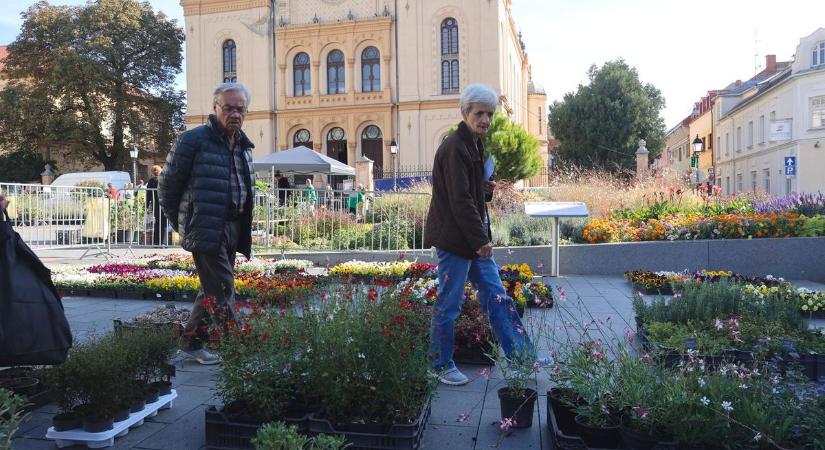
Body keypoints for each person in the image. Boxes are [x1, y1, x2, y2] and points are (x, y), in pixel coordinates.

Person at [424, 83, 542, 386]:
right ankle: (439, 365)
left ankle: (522, 357)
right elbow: (459, 201)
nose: (485, 120)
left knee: (497, 296)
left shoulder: (474, 145)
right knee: (449, 304)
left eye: (489, 114)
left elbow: (470, 194)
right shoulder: (454, 148)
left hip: (472, 239)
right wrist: (480, 240)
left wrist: (485, 190)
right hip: (455, 240)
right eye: (479, 113)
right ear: (465, 113)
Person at [159, 82, 255, 365]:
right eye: (228, 108)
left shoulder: (244, 146)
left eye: (240, 109)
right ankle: (239, 349)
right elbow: (167, 186)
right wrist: (184, 223)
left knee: (211, 288)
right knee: (223, 289)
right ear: (215, 108)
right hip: (206, 226)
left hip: (233, 227)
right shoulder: (193, 140)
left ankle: (191, 343)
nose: (235, 114)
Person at [145, 165, 167, 245]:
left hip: (156, 204)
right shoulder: (164, 179)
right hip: (164, 204)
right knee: (164, 223)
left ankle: (156, 242)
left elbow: (148, 194)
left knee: (157, 222)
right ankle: (163, 242)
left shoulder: (151, 181)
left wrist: (146, 205)